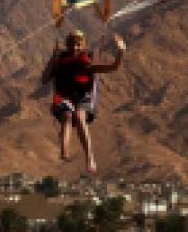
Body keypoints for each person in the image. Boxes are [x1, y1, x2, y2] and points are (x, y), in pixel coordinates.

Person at [39, 29, 125, 173]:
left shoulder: (87, 61)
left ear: (83, 45)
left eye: (78, 45)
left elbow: (113, 67)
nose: (74, 48)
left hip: (84, 97)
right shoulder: (60, 60)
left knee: (79, 116)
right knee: (67, 116)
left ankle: (89, 157)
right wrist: (53, 58)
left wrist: (121, 52)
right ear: (67, 45)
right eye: (71, 45)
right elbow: (44, 79)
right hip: (65, 96)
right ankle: (64, 151)